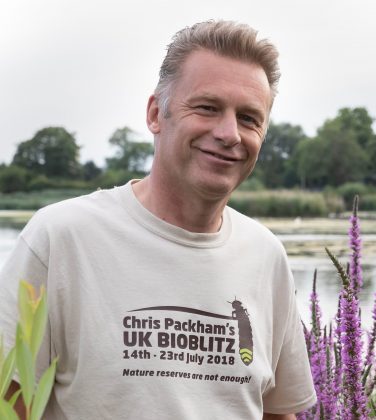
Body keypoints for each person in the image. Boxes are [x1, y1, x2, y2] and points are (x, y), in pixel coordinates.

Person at [0, 20, 316, 419]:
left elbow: (278, 411)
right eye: (207, 107)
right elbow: (9, 399)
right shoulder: (61, 239)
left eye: (249, 118)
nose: (229, 133)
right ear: (155, 114)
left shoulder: (265, 255)